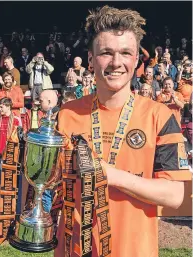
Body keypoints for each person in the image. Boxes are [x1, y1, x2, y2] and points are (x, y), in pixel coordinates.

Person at [55, 5, 190, 257]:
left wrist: (110, 175)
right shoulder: (67, 114)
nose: (116, 63)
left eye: (125, 53)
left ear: (137, 59)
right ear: (91, 59)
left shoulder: (159, 116)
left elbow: (174, 195)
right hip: (72, 250)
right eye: (106, 53)